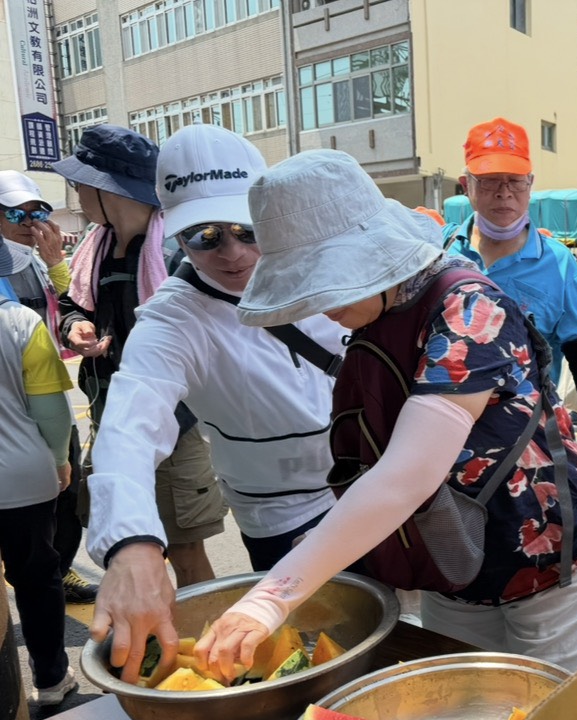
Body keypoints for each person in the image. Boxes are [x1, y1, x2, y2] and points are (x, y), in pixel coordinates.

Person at [193, 150, 577, 678]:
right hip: (454, 559)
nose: (318, 305)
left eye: (326, 280)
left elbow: (407, 476)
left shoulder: (469, 309)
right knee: (464, 713)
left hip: (550, 558)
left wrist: (271, 598)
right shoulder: (382, 308)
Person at [84, 125, 346, 683]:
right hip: (285, 519)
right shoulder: (173, 319)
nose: (232, 252)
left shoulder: (323, 262)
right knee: (315, 662)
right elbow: (129, 426)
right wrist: (131, 543)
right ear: (173, 235)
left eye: (249, 229)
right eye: (203, 236)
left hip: (374, 487)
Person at [50, 124, 225, 589]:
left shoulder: (176, 251)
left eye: (80, 183)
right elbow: (73, 304)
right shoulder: (97, 246)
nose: (78, 194)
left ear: (107, 189)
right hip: (114, 418)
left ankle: (204, 650)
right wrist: (76, 326)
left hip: (176, 425)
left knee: (185, 551)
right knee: (129, 548)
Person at [443, 118, 577, 489]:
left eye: (515, 181)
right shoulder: (441, 252)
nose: (504, 193)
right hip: (443, 437)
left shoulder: (558, 263)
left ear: (531, 185)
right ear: (467, 186)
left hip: (523, 441)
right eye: (490, 180)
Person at [0, 171, 94, 603]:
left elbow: (72, 307)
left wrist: (56, 262)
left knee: (65, 489)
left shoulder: (37, 261)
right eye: (15, 212)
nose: (29, 220)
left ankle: (59, 568)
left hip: (49, 392)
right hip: (12, 400)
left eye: (39, 211)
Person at [0, 239, 77, 707]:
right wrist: (60, 460)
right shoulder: (20, 323)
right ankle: (50, 680)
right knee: (35, 577)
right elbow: (52, 412)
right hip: (22, 478)